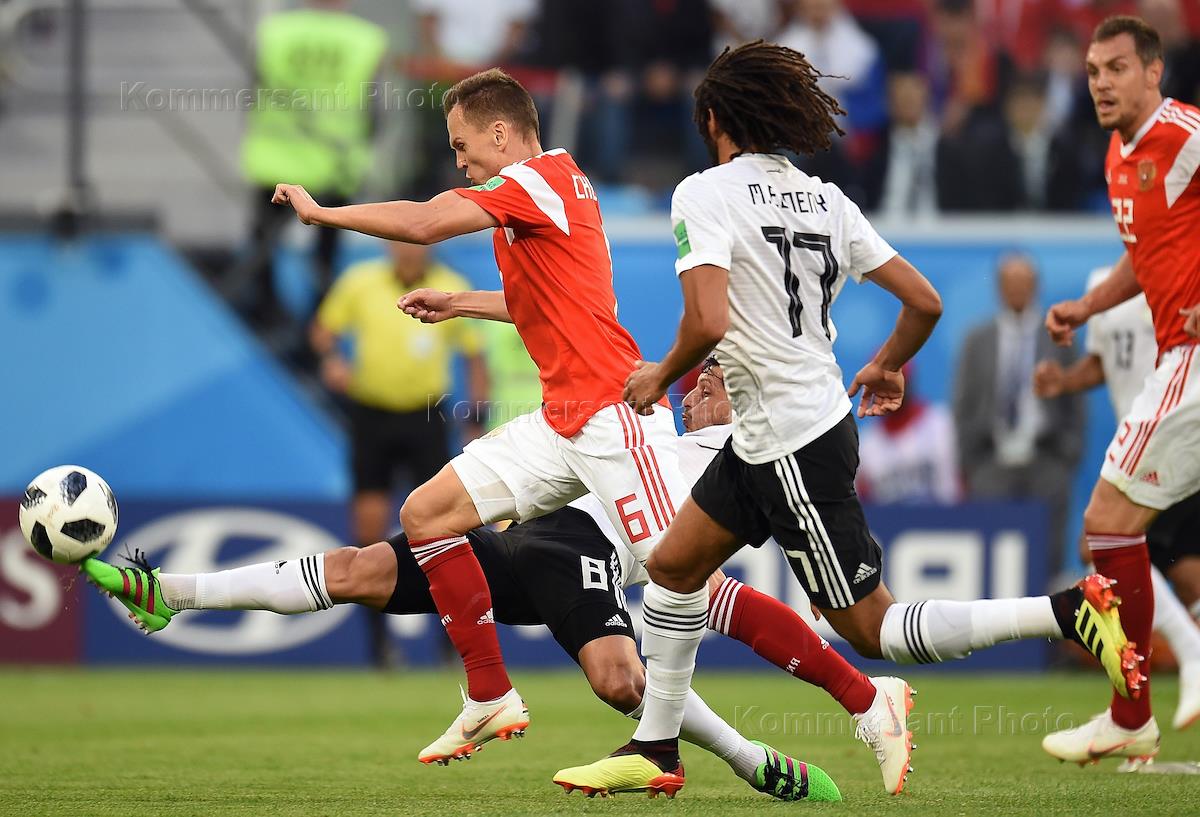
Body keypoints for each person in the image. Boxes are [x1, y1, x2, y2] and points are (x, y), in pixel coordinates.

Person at [554, 40, 1141, 799]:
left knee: (874, 628)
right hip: (776, 430)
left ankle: (1066, 610)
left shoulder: (702, 192)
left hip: (791, 443)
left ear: (715, 119)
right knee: (672, 567)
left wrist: (659, 375)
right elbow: (924, 301)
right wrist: (888, 362)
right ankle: (657, 747)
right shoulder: (827, 199)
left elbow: (706, 320)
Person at [81, 363, 906, 801]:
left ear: (746, 401)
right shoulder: (650, 409)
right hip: (522, 540)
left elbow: (723, 594)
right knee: (362, 567)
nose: (698, 390)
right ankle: (171, 593)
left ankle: (759, 753)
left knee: (624, 679)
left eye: (716, 381)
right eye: (699, 378)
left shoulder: (732, 465)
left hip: (579, 552)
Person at [272, 68, 700, 765]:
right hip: (560, 421)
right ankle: (488, 692)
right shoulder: (547, 192)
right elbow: (542, 305)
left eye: (462, 144)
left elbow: (425, 222)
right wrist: (460, 303)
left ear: (501, 133)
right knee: (425, 513)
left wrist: (323, 216)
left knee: (682, 575)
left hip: (612, 414)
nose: (459, 160)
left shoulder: (537, 181)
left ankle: (858, 695)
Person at [1035, 15, 1200, 763]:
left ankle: (1131, 713)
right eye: (1093, 71)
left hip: (1192, 357)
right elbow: (1145, 252)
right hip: (1176, 352)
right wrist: (1088, 305)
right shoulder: (1118, 154)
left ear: (1154, 72)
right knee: (1115, 527)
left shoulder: (1181, 134)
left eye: (1118, 68)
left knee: (1107, 521)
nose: (1101, 83)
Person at [1035, 266, 1200, 732]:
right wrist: (1065, 382)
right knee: (1186, 573)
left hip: (1173, 432)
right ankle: (1187, 660)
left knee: (1101, 543)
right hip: (1139, 438)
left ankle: (1187, 657)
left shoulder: (1177, 274)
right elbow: (1106, 361)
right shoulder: (1103, 285)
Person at [310, 240, 489, 667]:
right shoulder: (361, 282)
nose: (409, 251)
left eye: (417, 243)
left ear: (429, 246)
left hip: (427, 417)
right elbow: (322, 332)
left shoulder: (450, 287)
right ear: (390, 245)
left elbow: (474, 355)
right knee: (368, 526)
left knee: (444, 529)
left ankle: (452, 643)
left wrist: (476, 414)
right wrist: (331, 360)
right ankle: (380, 647)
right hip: (371, 417)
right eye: (402, 243)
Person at [237, 0, 387, 331]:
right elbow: (376, 111)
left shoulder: (274, 32)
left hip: (275, 158)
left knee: (264, 244)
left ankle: (265, 313)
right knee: (325, 253)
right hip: (334, 164)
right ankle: (319, 321)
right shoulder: (364, 39)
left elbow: (252, 91)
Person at [954, 253, 1085, 579]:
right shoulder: (978, 340)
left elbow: (1075, 400)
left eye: (1023, 284)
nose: (1016, 291)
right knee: (991, 553)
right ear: (999, 288)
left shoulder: (1058, 338)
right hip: (992, 462)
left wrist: (1067, 454)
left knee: (1047, 555)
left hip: (1046, 458)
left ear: (1035, 286)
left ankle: (1047, 610)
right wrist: (971, 462)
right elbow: (964, 403)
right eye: (1010, 284)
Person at [856, 363, 961, 505]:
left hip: (944, 516)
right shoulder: (866, 445)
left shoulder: (941, 423)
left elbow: (961, 486)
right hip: (892, 518)